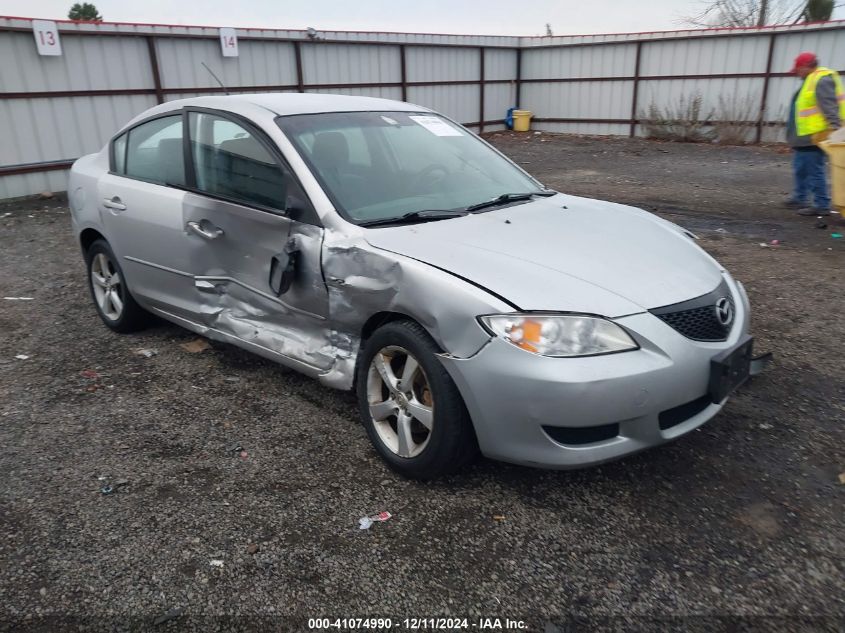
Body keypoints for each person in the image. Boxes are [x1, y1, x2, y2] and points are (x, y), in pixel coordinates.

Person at [784, 52, 844, 217]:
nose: (796, 73)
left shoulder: (821, 80)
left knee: (814, 171)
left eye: (798, 69)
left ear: (805, 66)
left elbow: (830, 107)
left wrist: (836, 131)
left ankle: (821, 204)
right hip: (804, 137)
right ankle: (800, 197)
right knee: (801, 169)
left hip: (815, 136)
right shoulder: (810, 80)